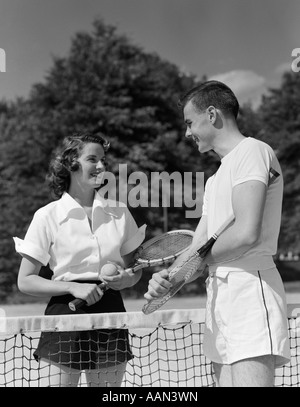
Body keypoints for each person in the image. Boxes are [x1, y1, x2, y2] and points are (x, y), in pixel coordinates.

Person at [144, 80, 290, 387]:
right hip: (219, 297)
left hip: (251, 288)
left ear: (211, 114)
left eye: (189, 123)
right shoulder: (215, 179)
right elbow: (198, 247)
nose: (187, 133)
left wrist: (195, 262)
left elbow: (246, 234)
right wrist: (168, 277)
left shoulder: (253, 151)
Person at [14, 131, 146, 387]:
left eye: (103, 160)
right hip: (64, 314)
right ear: (71, 163)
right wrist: (74, 287)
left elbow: (135, 270)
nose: (101, 166)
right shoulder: (46, 216)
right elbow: (26, 281)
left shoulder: (119, 212)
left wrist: (125, 280)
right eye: (93, 159)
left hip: (111, 312)